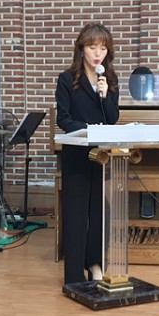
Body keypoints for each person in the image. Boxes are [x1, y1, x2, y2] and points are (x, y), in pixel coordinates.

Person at [55, 22, 120, 284]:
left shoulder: (110, 79)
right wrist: (90, 130)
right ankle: (73, 274)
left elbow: (113, 118)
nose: (98, 54)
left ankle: (95, 264)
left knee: (100, 212)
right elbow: (63, 119)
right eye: (93, 47)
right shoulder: (67, 79)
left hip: (101, 155)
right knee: (76, 213)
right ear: (81, 48)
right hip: (77, 153)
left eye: (103, 48)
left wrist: (105, 96)